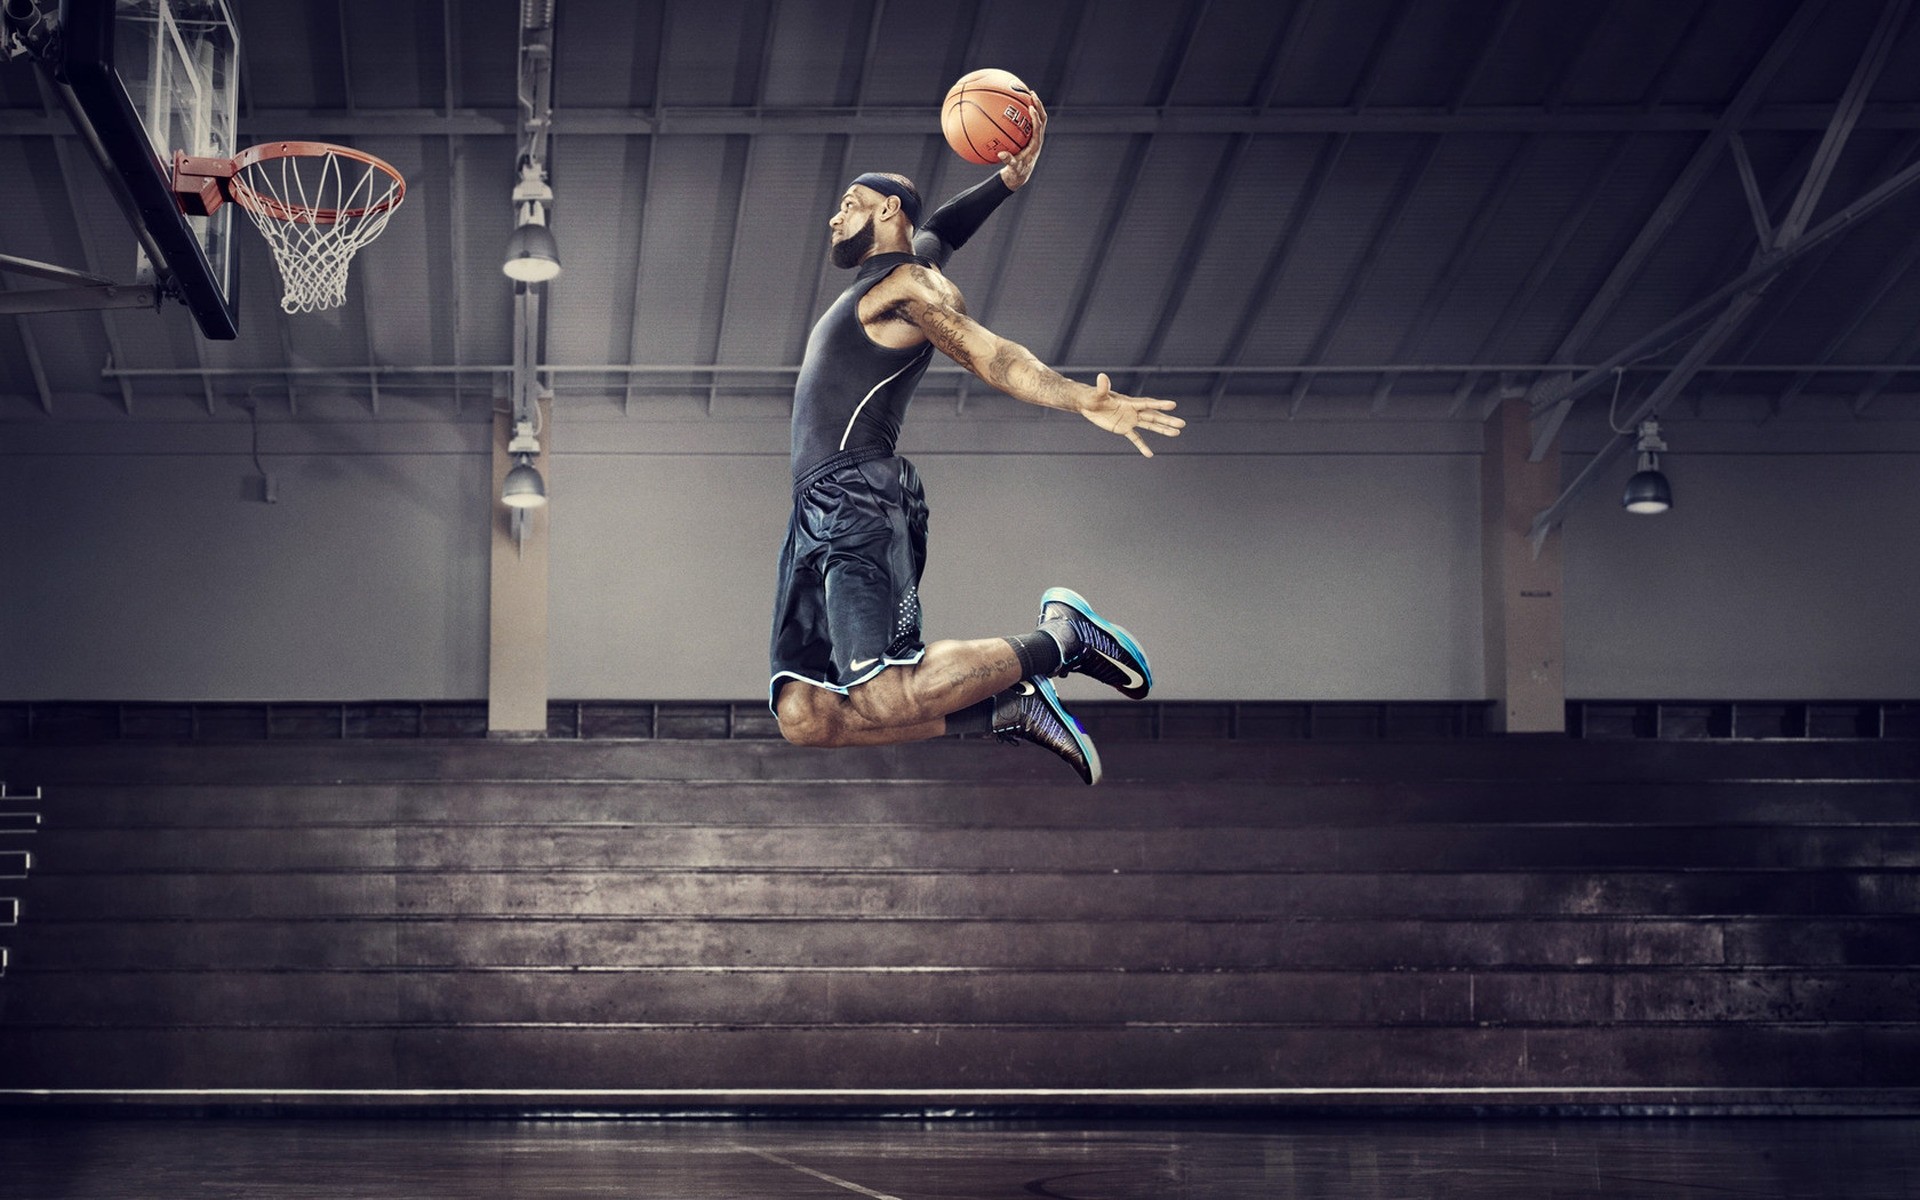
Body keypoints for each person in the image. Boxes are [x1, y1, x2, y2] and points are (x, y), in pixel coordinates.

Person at [768, 93, 1184, 784]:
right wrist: (1004, 182)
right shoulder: (899, 268)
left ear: (885, 212)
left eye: (850, 201)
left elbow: (994, 356)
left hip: (857, 497)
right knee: (805, 715)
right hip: (815, 509)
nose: (834, 214)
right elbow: (942, 229)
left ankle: (1063, 639)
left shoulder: (905, 290)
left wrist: (1084, 399)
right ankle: (1009, 711)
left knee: (880, 691)